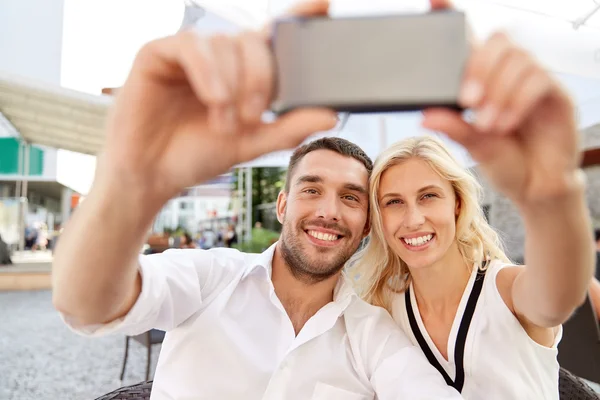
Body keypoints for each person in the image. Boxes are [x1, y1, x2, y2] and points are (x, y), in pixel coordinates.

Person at [51, 1, 462, 398]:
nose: (328, 211)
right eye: (311, 189)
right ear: (282, 206)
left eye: (351, 198)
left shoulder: (371, 334)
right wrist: (134, 182)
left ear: (367, 225)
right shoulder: (212, 278)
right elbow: (86, 304)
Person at [352, 25, 596, 400]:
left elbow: (558, 296)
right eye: (394, 202)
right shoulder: (383, 307)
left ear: (459, 204)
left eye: (429, 196)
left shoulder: (507, 290)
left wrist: (552, 197)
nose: (413, 218)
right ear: (379, 218)